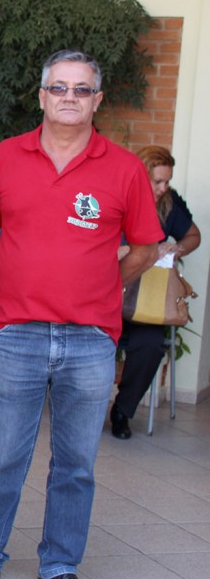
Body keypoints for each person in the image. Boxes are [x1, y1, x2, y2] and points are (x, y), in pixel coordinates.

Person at [0, 50, 162, 579]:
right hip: (17, 331)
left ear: (97, 100)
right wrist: (18, 276)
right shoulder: (5, 157)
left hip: (90, 339)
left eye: (82, 89)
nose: (70, 98)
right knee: (4, 456)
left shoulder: (124, 168)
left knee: (75, 464)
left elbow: (145, 246)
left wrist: (103, 283)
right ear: (42, 96)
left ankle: (60, 564)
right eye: (59, 88)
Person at [110, 145, 201, 439]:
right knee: (91, 342)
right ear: (140, 175)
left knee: (150, 346)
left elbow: (192, 235)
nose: (163, 188)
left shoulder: (168, 205)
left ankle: (122, 411)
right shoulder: (113, 198)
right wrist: (119, 250)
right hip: (106, 300)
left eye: (167, 182)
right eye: (157, 181)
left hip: (145, 303)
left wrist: (176, 249)